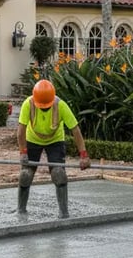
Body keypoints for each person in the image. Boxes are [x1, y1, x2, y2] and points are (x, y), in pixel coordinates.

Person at [17, 79, 90, 218]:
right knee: (25, 175)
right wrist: (23, 152)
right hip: (32, 140)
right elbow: (21, 130)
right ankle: (21, 210)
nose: (44, 108)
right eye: (42, 106)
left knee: (58, 173)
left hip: (55, 140)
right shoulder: (28, 104)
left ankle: (64, 213)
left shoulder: (60, 105)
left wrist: (84, 155)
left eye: (47, 106)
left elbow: (75, 130)